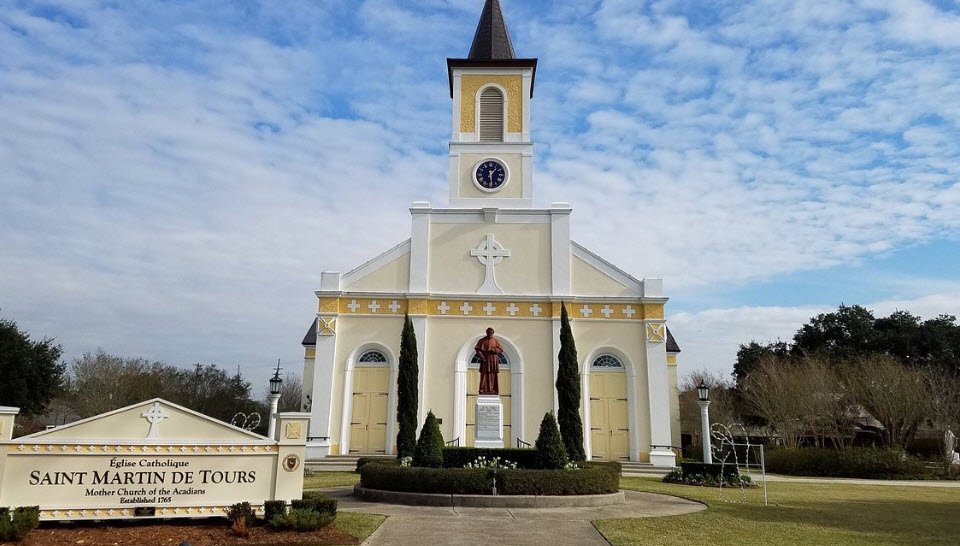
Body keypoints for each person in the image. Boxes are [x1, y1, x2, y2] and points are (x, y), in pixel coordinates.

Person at [474, 327, 503, 395]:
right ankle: (483, 389)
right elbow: (478, 350)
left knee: (492, 374)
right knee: (484, 374)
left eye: (491, 333)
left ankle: (493, 389)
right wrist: (482, 356)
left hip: (493, 359)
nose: (490, 334)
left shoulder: (495, 341)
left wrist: (494, 350)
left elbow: (500, 349)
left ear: (493, 333)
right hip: (485, 359)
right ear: (486, 333)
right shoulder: (482, 340)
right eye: (488, 332)